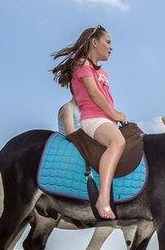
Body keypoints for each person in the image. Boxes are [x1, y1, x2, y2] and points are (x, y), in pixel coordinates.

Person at [50, 25, 126, 220]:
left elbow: (106, 96)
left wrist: (115, 117)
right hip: (93, 118)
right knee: (117, 143)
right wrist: (114, 114)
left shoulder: (103, 72)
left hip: (106, 119)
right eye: (108, 41)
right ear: (94, 42)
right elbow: (93, 93)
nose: (111, 47)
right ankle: (102, 199)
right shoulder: (81, 63)